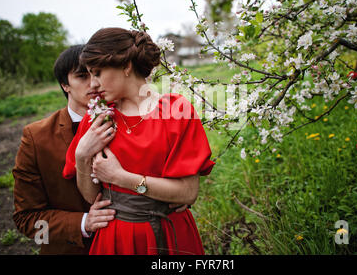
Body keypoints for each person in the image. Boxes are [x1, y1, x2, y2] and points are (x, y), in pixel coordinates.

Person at [62, 27, 215, 255]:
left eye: (98, 73)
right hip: (116, 238)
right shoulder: (97, 118)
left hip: (168, 234)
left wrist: (119, 177)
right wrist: (81, 156)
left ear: (126, 66)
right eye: (89, 75)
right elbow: (92, 196)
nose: (92, 85)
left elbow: (187, 193)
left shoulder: (176, 111)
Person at [12, 45, 116, 254]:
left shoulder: (129, 120)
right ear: (64, 85)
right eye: (81, 76)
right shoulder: (36, 138)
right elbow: (26, 221)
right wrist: (83, 223)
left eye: (97, 73)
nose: (93, 83)